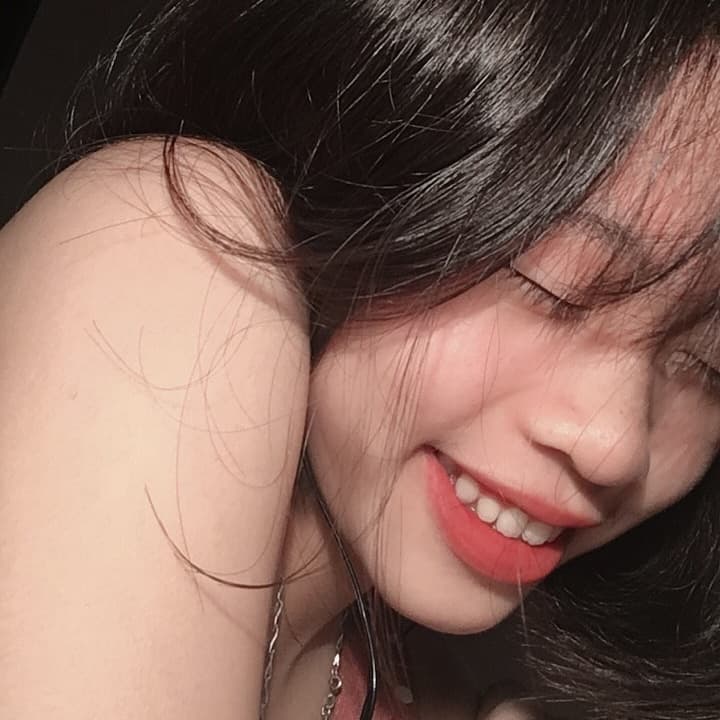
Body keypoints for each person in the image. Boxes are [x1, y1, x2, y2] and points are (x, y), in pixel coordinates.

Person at [2, 1, 720, 718]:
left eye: (707, 364)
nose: (613, 446)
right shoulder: (167, 242)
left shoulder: (423, 667)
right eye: (554, 279)